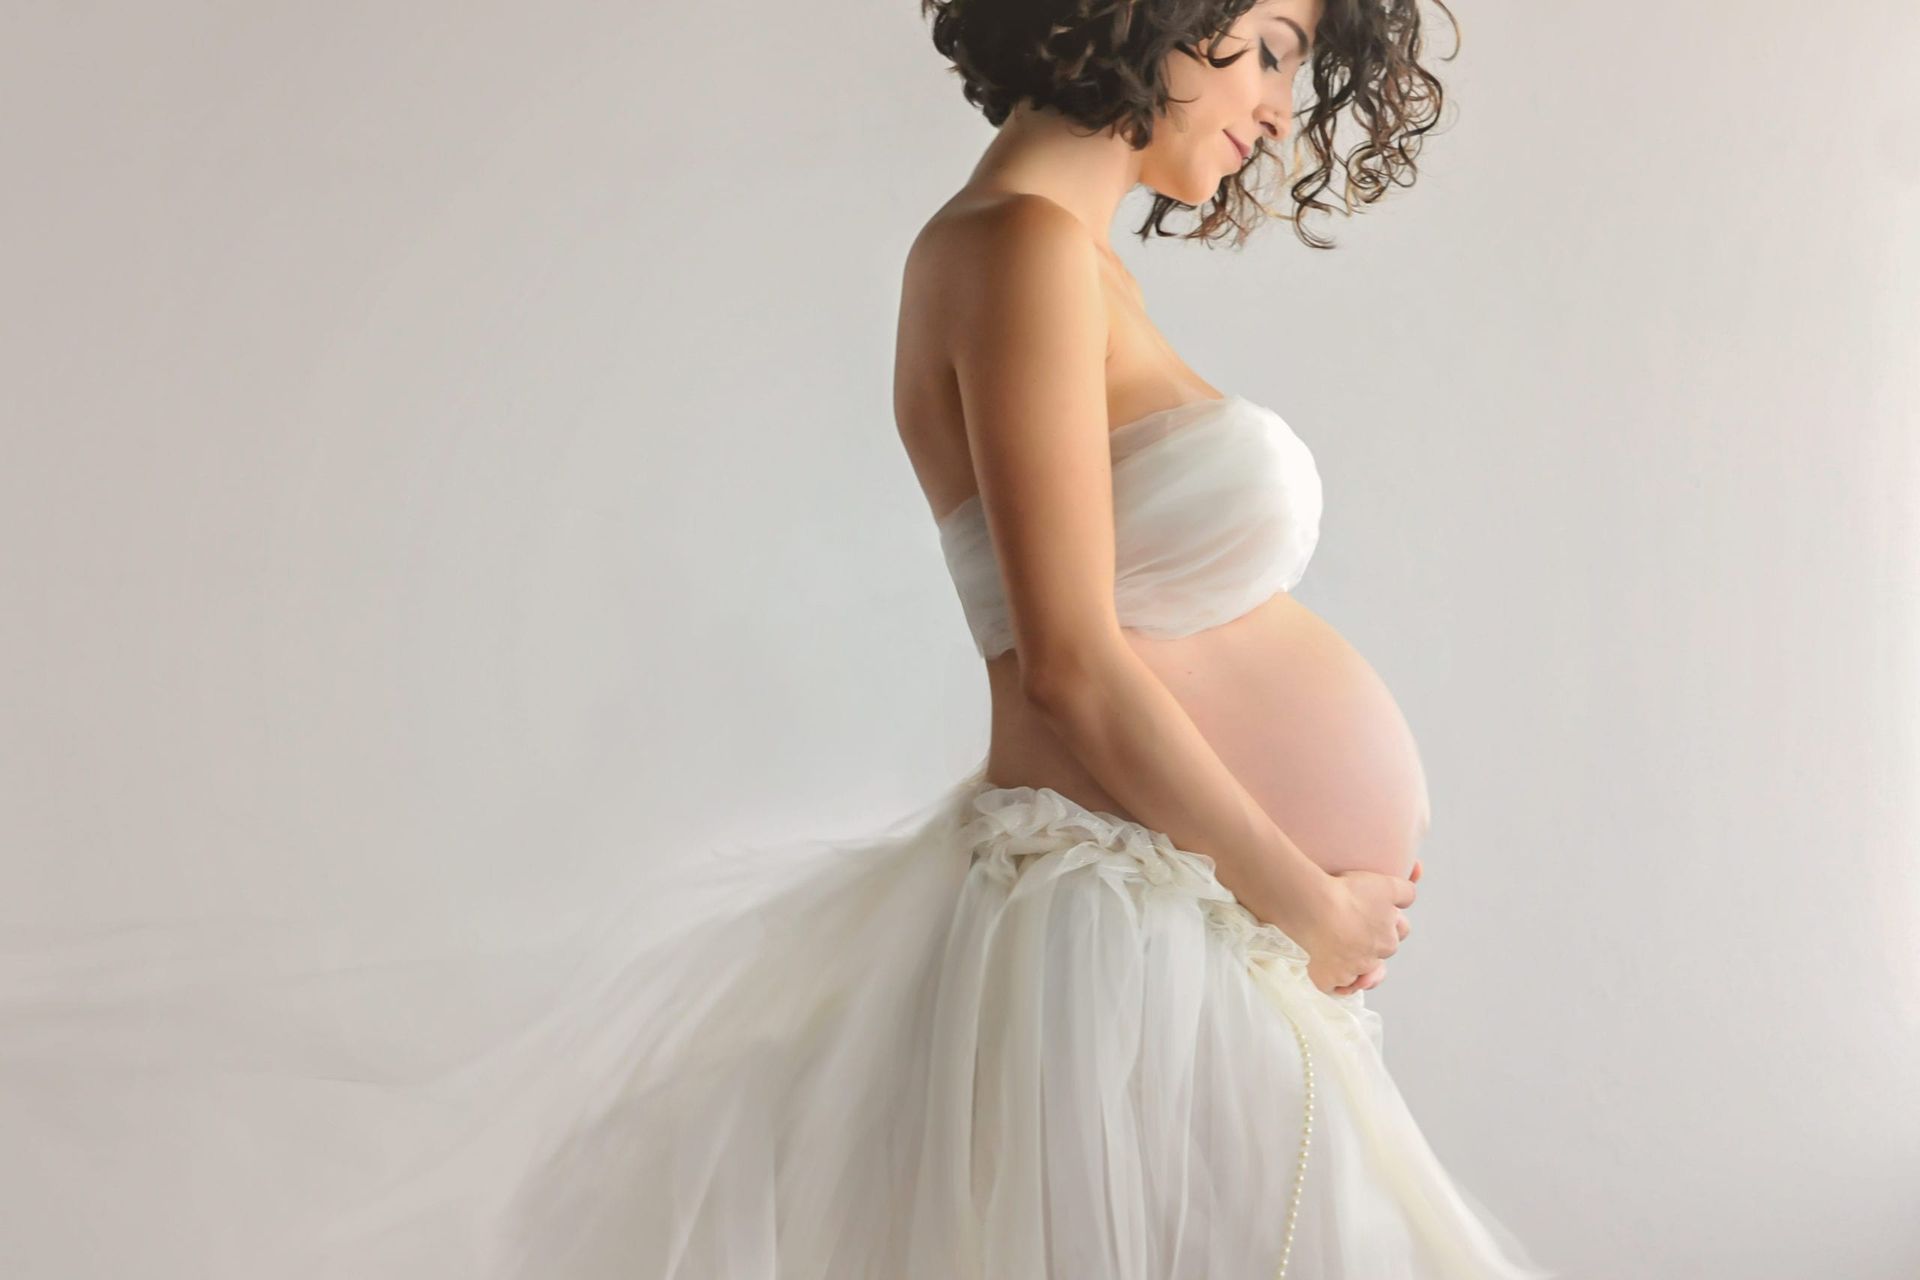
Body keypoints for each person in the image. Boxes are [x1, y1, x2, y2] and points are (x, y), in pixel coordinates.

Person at [0, 1, 1556, 1277]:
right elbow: (1072, 664)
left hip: (1171, 920)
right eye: (1273, 46)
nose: (1284, 109)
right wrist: (1299, 901)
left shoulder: (1052, 259)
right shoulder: (1014, 250)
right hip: (1140, 922)